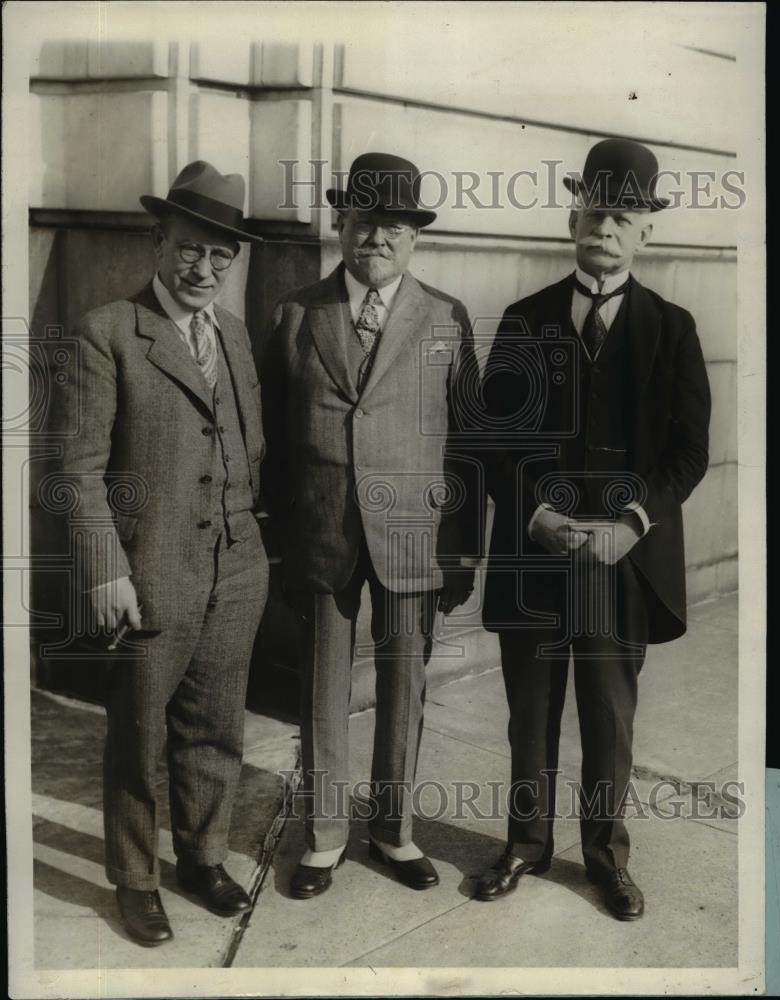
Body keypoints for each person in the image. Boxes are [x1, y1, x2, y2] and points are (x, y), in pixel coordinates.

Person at [476, 139, 711, 920]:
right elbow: (492, 443)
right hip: (537, 557)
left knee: (609, 716)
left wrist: (634, 522)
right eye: (595, 209)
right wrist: (536, 515)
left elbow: (688, 451)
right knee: (531, 713)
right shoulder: (524, 320)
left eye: (625, 215)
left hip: (620, 563)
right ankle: (524, 846)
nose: (606, 226)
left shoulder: (672, 329)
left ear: (647, 233)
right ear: (573, 215)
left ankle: (606, 860)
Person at [56, 161, 269, 945]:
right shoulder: (108, 331)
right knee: (139, 734)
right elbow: (74, 472)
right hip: (149, 573)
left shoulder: (237, 337)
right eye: (189, 249)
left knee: (216, 728)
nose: (204, 269)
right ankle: (135, 877)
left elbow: (251, 447)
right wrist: (108, 568)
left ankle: (202, 858)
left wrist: (248, 545)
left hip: (236, 569)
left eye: (221, 256)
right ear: (160, 241)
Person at [262, 152, 482, 898]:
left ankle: (393, 832)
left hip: (414, 537)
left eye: (393, 226)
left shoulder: (447, 318)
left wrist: (462, 552)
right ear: (341, 227)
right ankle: (323, 839)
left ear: (414, 237)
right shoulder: (297, 314)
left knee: (404, 685)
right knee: (322, 686)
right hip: (322, 533)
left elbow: (468, 446)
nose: (376, 239)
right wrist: (276, 537)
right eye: (362, 223)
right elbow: (271, 437)